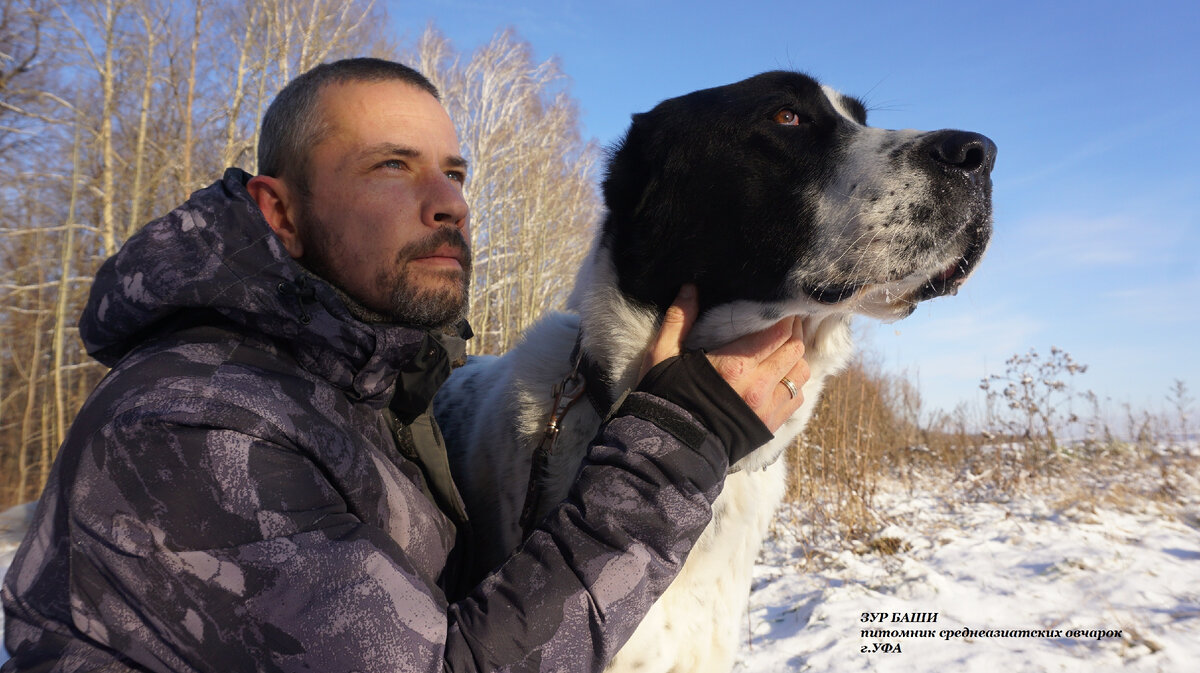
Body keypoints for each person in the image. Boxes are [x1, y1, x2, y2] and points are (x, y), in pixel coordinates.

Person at [1, 58, 810, 672]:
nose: (449, 201)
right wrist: (680, 440)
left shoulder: (359, 390)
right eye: (393, 165)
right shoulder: (195, 421)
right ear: (279, 212)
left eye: (454, 173)